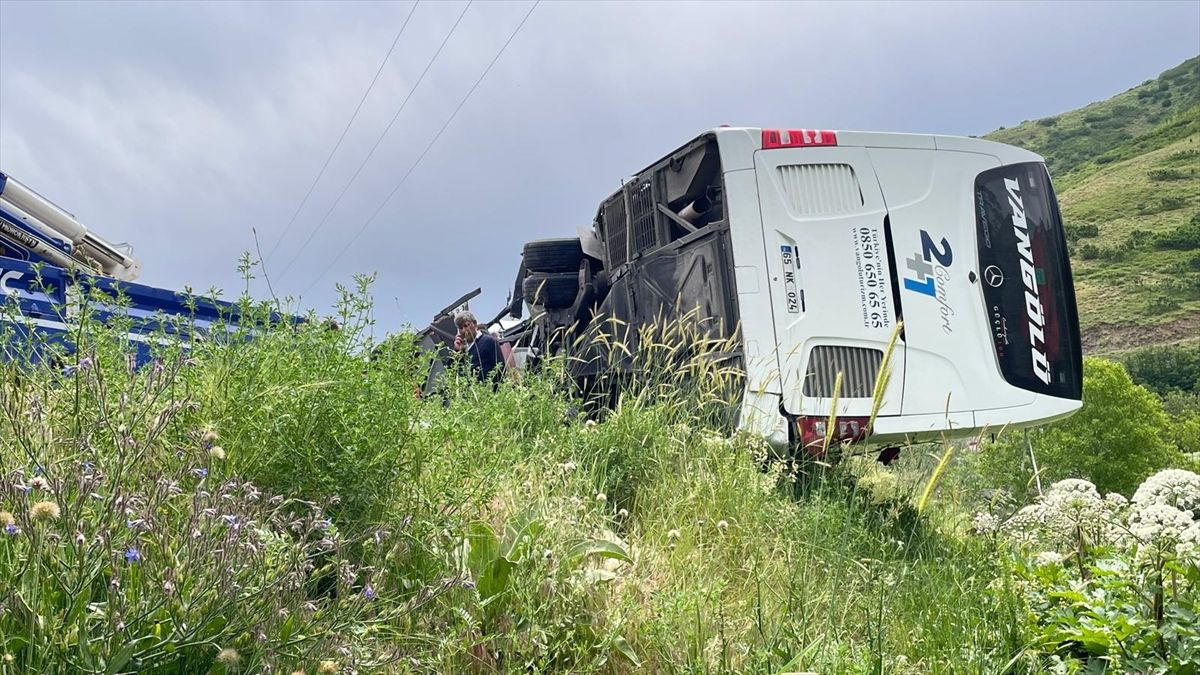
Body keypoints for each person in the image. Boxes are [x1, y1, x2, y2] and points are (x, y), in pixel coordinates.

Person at [452, 310, 506, 386]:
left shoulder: (488, 342)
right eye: (460, 328)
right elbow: (451, 373)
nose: (464, 330)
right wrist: (456, 351)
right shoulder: (462, 349)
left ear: (475, 324)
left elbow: (500, 369)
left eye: (466, 325)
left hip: (487, 392)